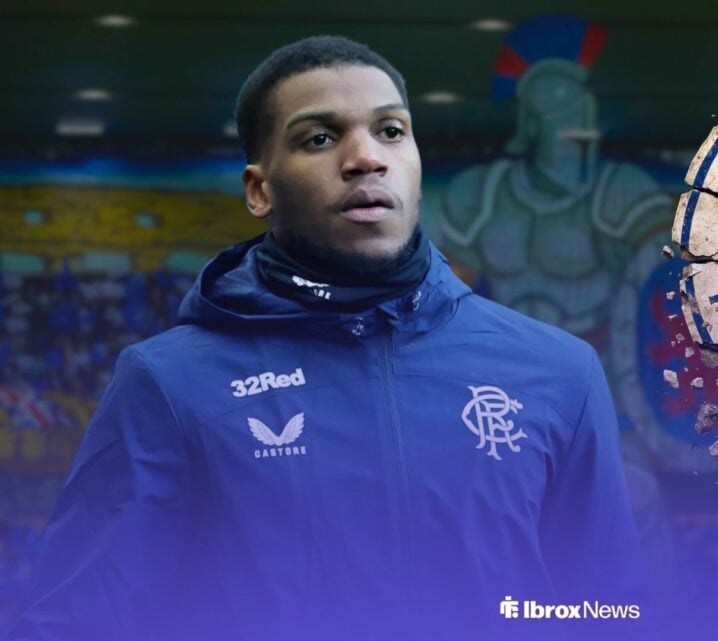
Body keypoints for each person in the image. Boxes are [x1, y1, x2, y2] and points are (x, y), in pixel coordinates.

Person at [7, 35, 644, 641]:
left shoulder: (558, 370)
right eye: (319, 137)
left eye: (391, 131)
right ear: (260, 189)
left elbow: (605, 607)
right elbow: (79, 621)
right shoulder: (169, 383)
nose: (367, 157)